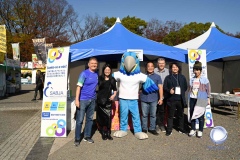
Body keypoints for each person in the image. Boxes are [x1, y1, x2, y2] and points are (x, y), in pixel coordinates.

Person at [74, 57, 98, 146]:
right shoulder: (84, 74)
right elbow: (78, 87)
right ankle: (77, 138)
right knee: (80, 120)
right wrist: (77, 100)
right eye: (92, 63)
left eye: (95, 63)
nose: (94, 65)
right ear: (88, 64)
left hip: (92, 100)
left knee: (90, 119)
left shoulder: (96, 74)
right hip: (83, 100)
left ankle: (87, 136)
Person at [163, 62, 187, 136]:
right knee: (170, 116)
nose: (175, 68)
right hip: (171, 99)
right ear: (171, 68)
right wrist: (169, 90)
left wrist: (181, 92)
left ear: (178, 68)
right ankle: (169, 130)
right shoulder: (168, 77)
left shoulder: (182, 77)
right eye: (173, 67)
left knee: (181, 115)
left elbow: (185, 87)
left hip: (180, 99)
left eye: (176, 67)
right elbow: (165, 87)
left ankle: (181, 128)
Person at [188, 61, 211, 138]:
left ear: (200, 70)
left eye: (198, 70)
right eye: (195, 70)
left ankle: (200, 130)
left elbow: (208, 89)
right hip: (192, 98)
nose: (196, 71)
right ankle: (193, 129)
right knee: (192, 114)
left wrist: (208, 98)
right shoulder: (192, 79)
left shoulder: (205, 80)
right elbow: (189, 89)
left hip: (201, 99)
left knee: (201, 115)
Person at [140, 61, 163, 136]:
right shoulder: (142, 76)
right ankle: (144, 128)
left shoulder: (157, 77)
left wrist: (161, 98)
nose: (150, 67)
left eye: (151, 66)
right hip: (144, 98)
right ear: (146, 68)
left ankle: (152, 128)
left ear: (154, 67)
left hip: (154, 99)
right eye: (148, 66)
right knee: (144, 115)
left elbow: (160, 88)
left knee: (153, 115)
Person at [97, 64, 117, 140]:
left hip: (108, 101)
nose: (107, 71)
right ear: (103, 70)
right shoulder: (100, 78)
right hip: (100, 101)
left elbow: (115, 90)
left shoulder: (112, 79)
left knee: (108, 118)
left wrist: (113, 95)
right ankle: (103, 132)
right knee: (101, 118)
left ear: (110, 71)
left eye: (109, 70)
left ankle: (108, 132)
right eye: (106, 70)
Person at [154, 58, 169, 132]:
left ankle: (162, 125)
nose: (161, 64)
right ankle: (156, 125)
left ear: (165, 64)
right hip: (155, 93)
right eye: (160, 63)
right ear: (157, 64)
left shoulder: (168, 71)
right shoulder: (154, 71)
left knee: (162, 110)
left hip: (165, 94)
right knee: (156, 110)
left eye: (162, 63)